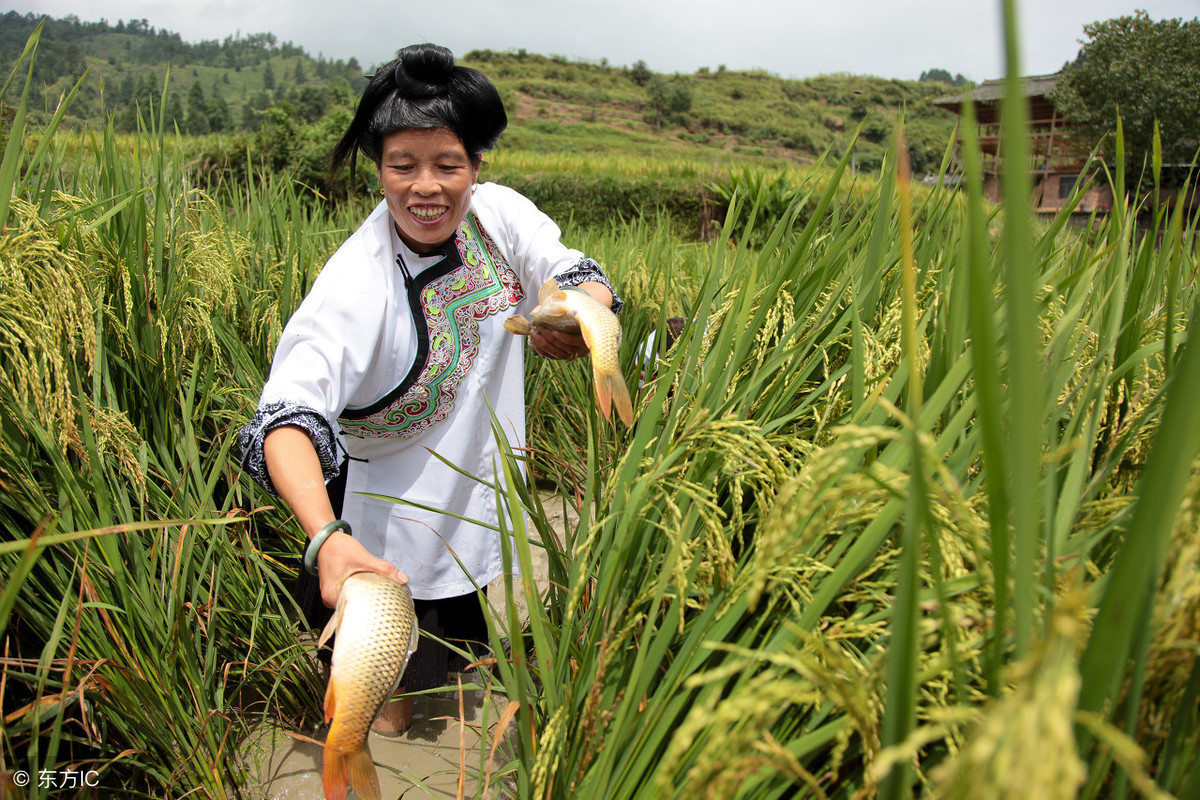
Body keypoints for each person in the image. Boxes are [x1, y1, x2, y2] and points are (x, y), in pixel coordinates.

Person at [238, 42, 623, 733]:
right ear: (378, 172)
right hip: (382, 539)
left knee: (461, 677)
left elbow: (573, 273)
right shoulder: (356, 286)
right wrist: (326, 537)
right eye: (402, 166)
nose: (426, 187)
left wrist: (581, 314)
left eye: (448, 165)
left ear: (476, 166)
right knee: (377, 717)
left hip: (476, 516)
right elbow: (287, 417)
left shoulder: (497, 215)